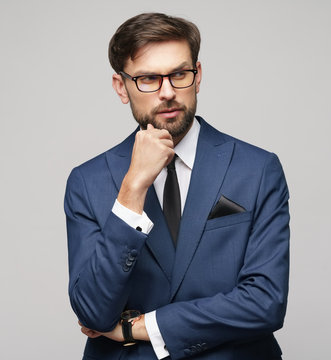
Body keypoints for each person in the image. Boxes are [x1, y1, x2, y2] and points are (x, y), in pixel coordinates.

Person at [64, 12, 290, 360]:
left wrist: (138, 328)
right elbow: (92, 311)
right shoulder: (87, 181)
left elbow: (265, 302)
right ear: (121, 87)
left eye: (179, 74)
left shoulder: (258, 169)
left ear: (197, 76)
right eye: (148, 79)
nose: (168, 92)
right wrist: (132, 189)